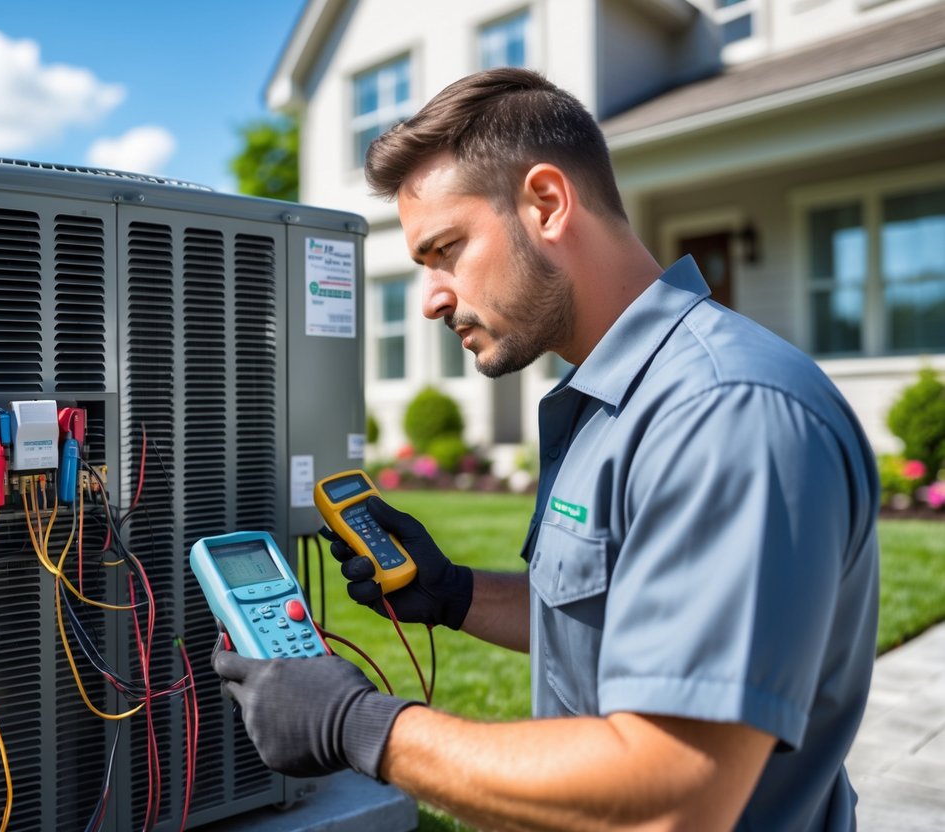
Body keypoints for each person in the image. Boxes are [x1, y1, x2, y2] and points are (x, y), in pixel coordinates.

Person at [212, 68, 879, 831]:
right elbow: (633, 626)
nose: (430, 297)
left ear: (546, 203)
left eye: (445, 250)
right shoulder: (613, 399)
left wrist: (359, 725)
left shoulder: (724, 411)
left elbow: (675, 796)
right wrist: (456, 594)